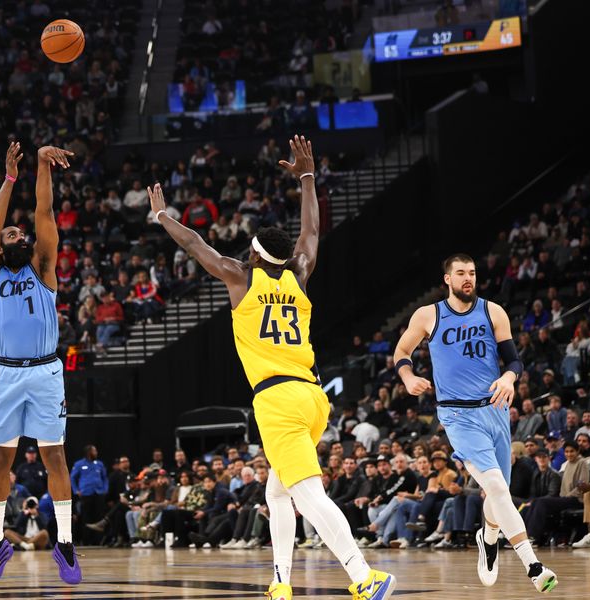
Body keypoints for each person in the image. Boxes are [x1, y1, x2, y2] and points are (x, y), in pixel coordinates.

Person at [148, 135, 395, 600]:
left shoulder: (241, 277)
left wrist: (162, 216)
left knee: (308, 496)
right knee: (277, 495)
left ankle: (363, 577)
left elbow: (197, 243)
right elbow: (311, 234)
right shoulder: (299, 273)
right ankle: (280, 583)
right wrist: (306, 178)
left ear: (257, 253)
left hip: (278, 400)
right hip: (312, 397)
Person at [394, 253, 557, 592]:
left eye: (472, 273)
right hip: (457, 414)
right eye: (461, 273)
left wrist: (510, 378)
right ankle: (534, 566)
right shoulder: (429, 315)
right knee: (496, 488)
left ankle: (489, 536)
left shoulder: (492, 311)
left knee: (499, 492)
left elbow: (513, 360)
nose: (468, 278)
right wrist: (407, 376)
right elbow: (401, 352)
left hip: (495, 410)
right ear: (447, 280)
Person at [0, 143, 79, 585]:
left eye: (21, 235)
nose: (15, 236)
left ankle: (67, 543)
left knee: (55, 456)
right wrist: (10, 177)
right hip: (4, 371)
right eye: (10, 236)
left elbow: (45, 211)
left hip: (45, 371)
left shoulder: (43, 266)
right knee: (0, 459)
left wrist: (40, 164)